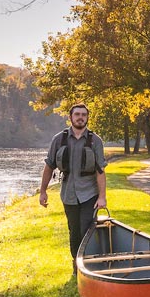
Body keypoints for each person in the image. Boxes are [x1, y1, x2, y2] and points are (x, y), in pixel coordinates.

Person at [39, 104, 107, 274]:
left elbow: (100, 171)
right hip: (68, 193)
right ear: (70, 117)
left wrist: (102, 197)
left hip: (90, 193)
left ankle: (87, 266)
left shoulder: (95, 141)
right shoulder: (59, 139)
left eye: (84, 115)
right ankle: (76, 264)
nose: (80, 117)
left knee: (87, 228)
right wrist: (43, 191)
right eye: (77, 114)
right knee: (74, 230)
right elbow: (49, 167)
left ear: (87, 118)